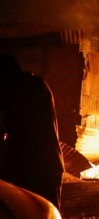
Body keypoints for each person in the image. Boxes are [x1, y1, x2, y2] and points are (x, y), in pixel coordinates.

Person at [0, 54, 64, 209]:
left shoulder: (17, 90)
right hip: (48, 164)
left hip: (30, 167)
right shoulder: (37, 85)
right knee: (47, 218)